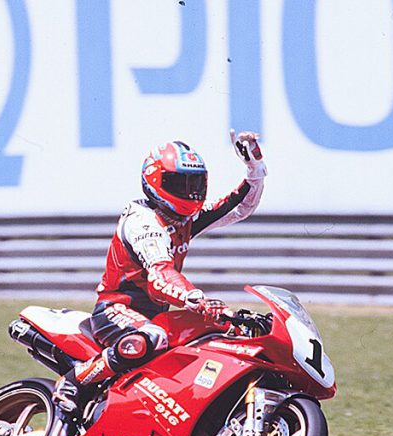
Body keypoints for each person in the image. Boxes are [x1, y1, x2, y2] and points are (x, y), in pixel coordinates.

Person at [53, 130, 268, 418]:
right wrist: (197, 298)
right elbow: (160, 274)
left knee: (222, 331)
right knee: (151, 336)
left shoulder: (185, 218)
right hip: (116, 309)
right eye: (179, 183)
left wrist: (255, 168)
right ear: (155, 183)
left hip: (158, 312)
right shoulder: (142, 222)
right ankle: (74, 382)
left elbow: (239, 208)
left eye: (195, 183)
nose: (190, 191)